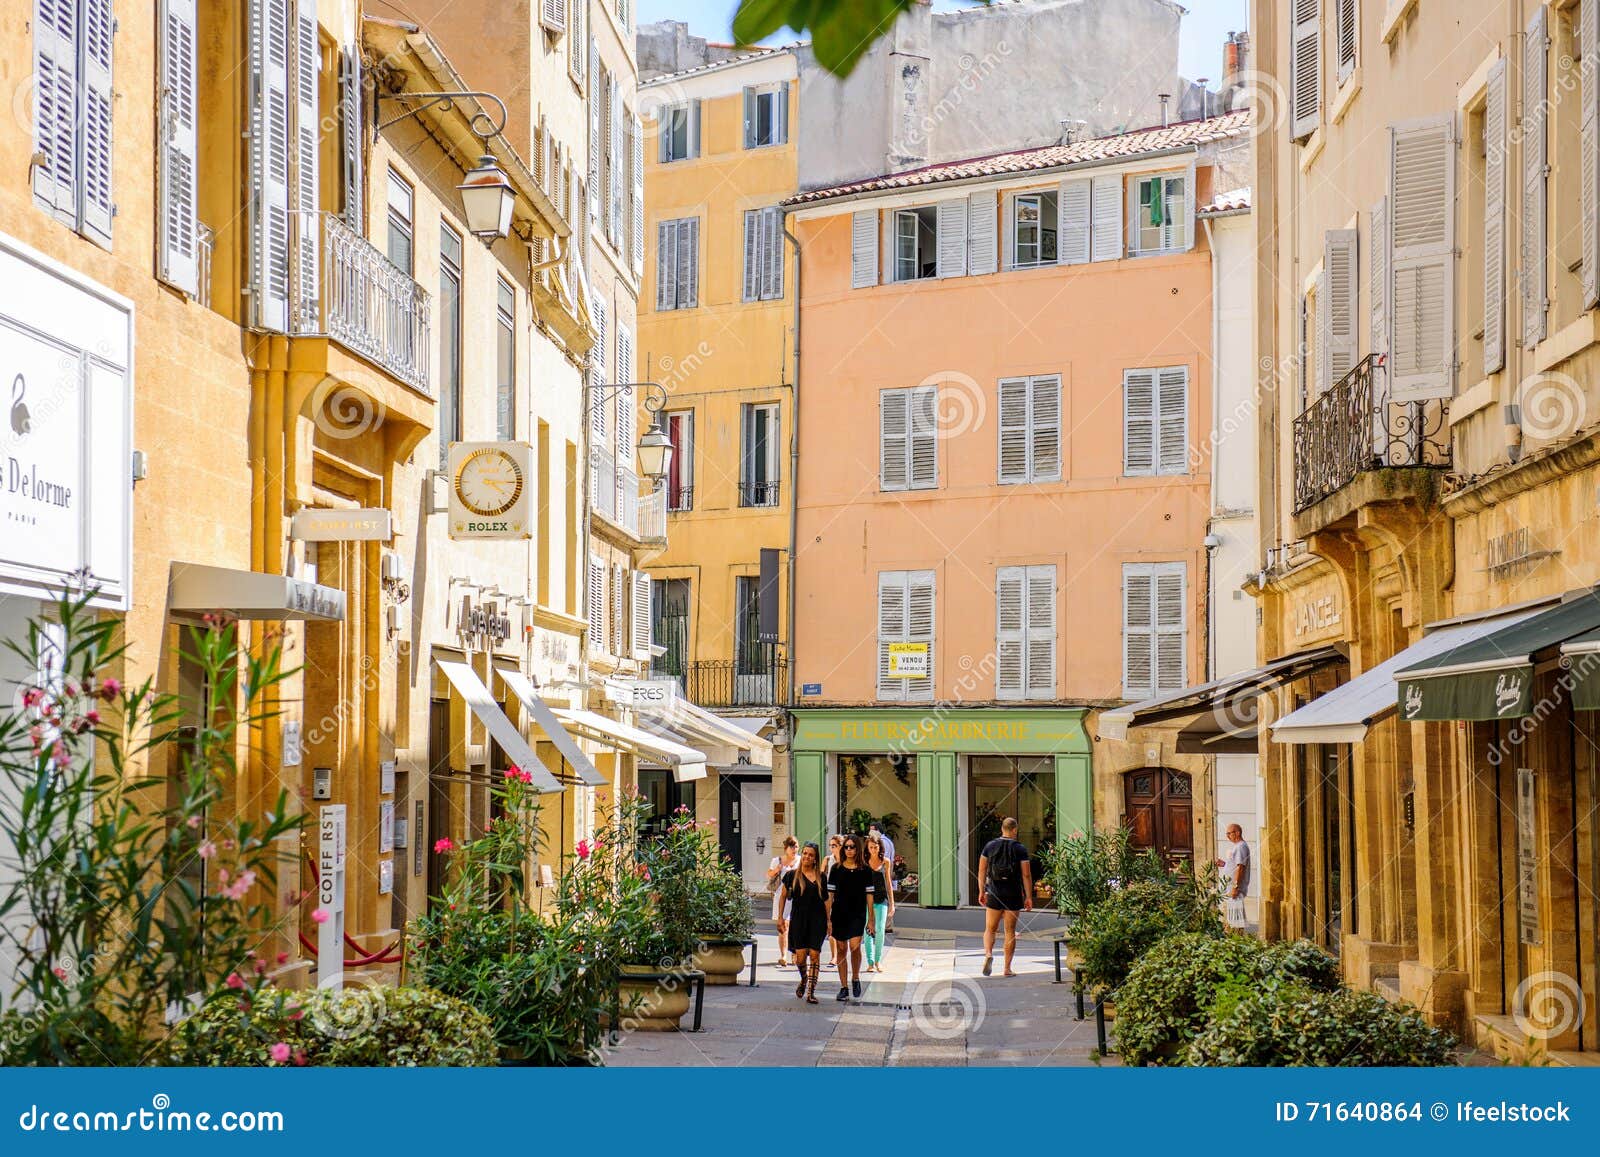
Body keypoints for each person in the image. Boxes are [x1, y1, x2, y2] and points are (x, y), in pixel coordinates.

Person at [977, 816, 1032, 977]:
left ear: (1002, 829)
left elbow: (981, 870)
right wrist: (1028, 896)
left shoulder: (990, 846)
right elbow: (1026, 875)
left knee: (990, 929)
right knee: (1010, 931)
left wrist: (981, 890)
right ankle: (1007, 968)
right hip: (1013, 894)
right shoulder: (1020, 848)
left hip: (994, 892)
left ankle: (988, 953)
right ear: (1014, 830)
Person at [825, 835, 876, 1000]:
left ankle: (855, 977)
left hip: (857, 914)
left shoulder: (865, 870)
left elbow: (869, 897)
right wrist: (828, 919)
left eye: (852, 847)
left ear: (858, 849)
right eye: (846, 847)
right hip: (839, 913)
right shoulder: (836, 869)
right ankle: (844, 986)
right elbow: (830, 895)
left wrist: (871, 919)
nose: (849, 850)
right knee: (841, 949)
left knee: (855, 947)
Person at [781, 842, 828, 1003]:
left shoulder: (822, 877)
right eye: (805, 853)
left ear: (815, 859)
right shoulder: (792, 875)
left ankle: (811, 992)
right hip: (799, 919)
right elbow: (783, 896)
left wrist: (829, 921)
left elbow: (827, 900)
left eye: (811, 855)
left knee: (814, 955)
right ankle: (804, 979)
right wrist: (780, 918)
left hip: (818, 919)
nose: (807, 857)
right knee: (800, 958)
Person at [863, 833, 895, 973]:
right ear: (867, 848)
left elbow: (888, 883)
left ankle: (878, 960)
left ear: (879, 847)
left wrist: (892, 903)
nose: (873, 850)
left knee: (880, 929)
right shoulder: (863, 862)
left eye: (875, 847)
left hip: (882, 899)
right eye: (871, 847)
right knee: (868, 930)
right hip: (866, 900)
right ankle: (870, 962)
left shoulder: (886, 861)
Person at [767, 836, 799, 967]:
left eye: (796, 846)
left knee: (795, 927)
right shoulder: (777, 860)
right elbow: (768, 874)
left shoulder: (801, 861)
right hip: (781, 896)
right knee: (783, 926)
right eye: (791, 846)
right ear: (786, 848)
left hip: (797, 896)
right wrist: (777, 869)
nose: (794, 849)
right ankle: (783, 955)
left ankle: (795, 953)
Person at [1216, 824, 1252, 927]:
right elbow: (1235, 865)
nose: (1227, 836)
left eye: (1229, 833)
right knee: (1229, 919)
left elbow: (1240, 867)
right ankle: (1232, 938)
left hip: (1233, 891)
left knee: (1234, 922)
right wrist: (1224, 864)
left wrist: (1235, 887)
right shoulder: (1238, 846)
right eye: (1226, 834)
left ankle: (1234, 938)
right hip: (1229, 890)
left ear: (1237, 833)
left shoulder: (1241, 847)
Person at [867, 821, 897, 930]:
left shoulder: (881, 842)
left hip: (881, 868)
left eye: (872, 830)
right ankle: (887, 924)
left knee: (880, 895)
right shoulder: (889, 841)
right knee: (885, 894)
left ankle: (877, 924)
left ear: (878, 831)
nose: (870, 833)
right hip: (887, 866)